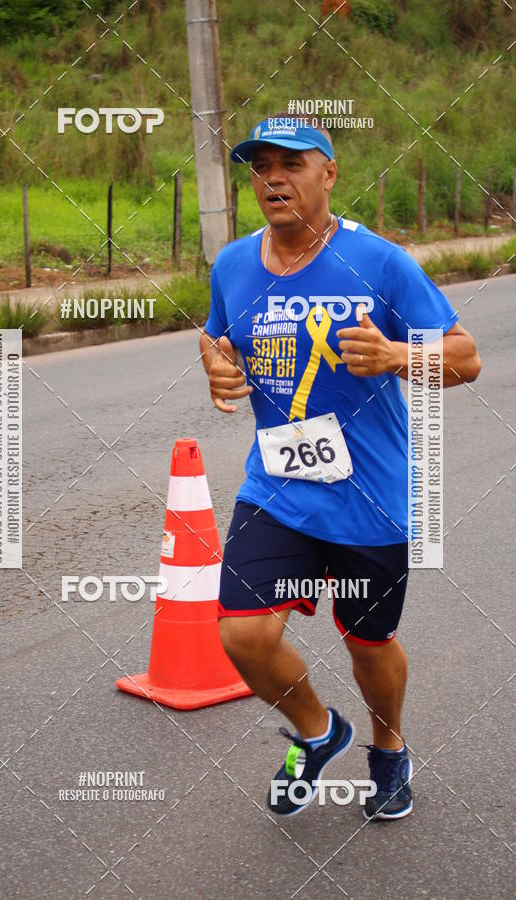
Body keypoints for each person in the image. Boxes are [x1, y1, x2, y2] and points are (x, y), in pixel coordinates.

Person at [199, 114, 481, 819]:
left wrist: (396, 356)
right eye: (261, 167)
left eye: (292, 164)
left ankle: (388, 748)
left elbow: (465, 357)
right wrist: (214, 362)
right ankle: (320, 733)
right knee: (243, 633)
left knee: (368, 642)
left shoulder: (382, 262)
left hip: (371, 498)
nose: (273, 179)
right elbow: (213, 336)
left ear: (330, 173)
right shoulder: (233, 264)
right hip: (278, 487)